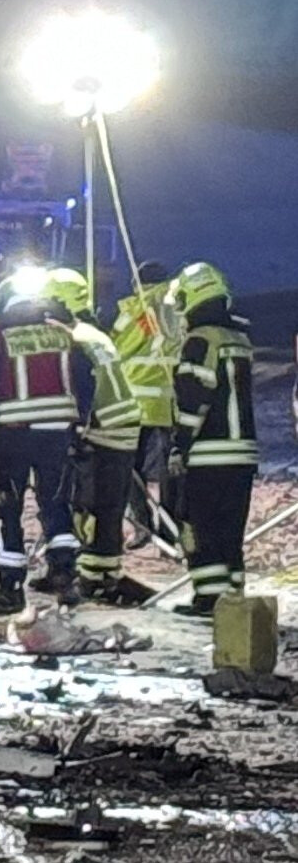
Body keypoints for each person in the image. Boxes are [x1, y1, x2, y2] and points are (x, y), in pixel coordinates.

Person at [0, 271, 93, 612]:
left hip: (8, 438)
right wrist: (80, 425)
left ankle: (10, 588)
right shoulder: (64, 335)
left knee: (5, 511)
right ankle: (65, 577)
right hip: (57, 435)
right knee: (57, 505)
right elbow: (86, 382)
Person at [45, 267, 145, 602]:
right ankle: (104, 573)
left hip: (103, 429)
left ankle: (92, 577)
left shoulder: (73, 339)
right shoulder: (92, 333)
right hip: (122, 425)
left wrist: (75, 434)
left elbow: (82, 391)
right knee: (109, 506)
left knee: (90, 505)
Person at [169, 261, 259, 617]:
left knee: (199, 525)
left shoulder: (200, 340)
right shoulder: (239, 339)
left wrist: (180, 444)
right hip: (243, 453)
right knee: (230, 530)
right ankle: (233, 600)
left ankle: (209, 598)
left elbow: (193, 398)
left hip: (208, 453)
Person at [111, 259, 186, 536]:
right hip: (170, 398)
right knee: (169, 468)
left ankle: (141, 521)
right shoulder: (178, 308)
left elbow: (115, 346)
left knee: (128, 465)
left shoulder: (134, 309)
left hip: (136, 398)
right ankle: (170, 527)